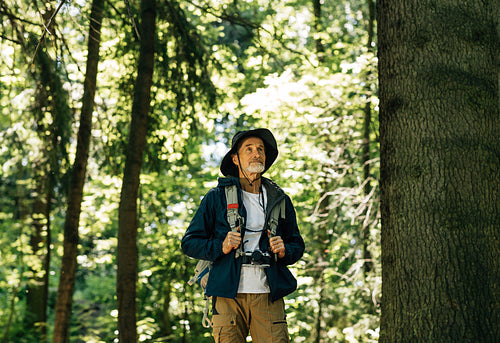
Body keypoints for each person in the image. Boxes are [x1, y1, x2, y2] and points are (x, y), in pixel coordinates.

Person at [181, 128, 305, 343]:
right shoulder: (216, 197)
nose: (256, 153)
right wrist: (221, 246)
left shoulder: (280, 199)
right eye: (249, 149)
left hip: (268, 295)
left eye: (260, 149)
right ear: (235, 159)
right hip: (227, 295)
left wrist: (285, 250)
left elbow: (297, 245)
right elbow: (189, 243)